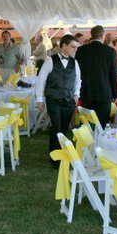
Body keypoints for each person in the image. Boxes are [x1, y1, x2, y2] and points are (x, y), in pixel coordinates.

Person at [36, 34, 81, 166]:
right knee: (56, 127)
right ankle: (55, 159)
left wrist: (76, 95)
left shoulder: (75, 62)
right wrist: (39, 99)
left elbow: (78, 81)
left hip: (68, 101)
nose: (75, 49)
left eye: (76, 47)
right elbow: (41, 80)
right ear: (64, 46)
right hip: (53, 99)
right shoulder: (50, 60)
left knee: (64, 128)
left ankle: (62, 154)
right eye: (73, 47)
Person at [75, 25, 117, 128]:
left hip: (86, 90)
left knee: (87, 122)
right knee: (102, 123)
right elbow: (114, 75)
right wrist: (115, 94)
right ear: (102, 35)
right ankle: (100, 142)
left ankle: (87, 141)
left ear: (91, 35)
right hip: (104, 91)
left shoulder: (81, 50)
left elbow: (77, 72)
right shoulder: (110, 51)